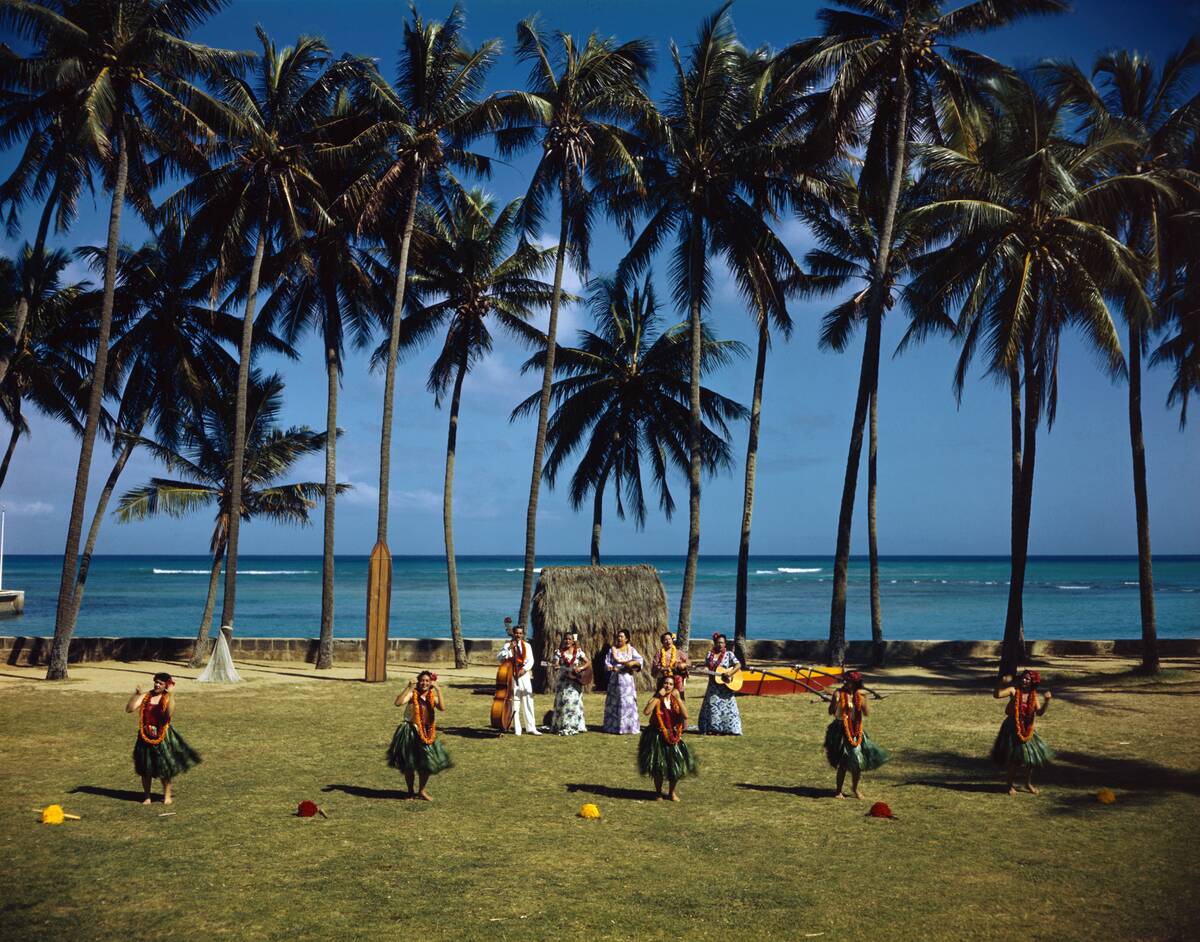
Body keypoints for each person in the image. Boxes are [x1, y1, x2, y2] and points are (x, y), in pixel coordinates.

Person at [124, 672, 200, 805]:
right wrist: (136, 694)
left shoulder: (167, 698)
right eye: (156, 682)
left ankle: (167, 796)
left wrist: (171, 694)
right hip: (145, 735)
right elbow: (129, 709)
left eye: (160, 683)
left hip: (163, 736)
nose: (157, 685)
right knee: (145, 767)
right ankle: (147, 796)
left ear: (166, 685)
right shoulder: (146, 696)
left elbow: (169, 713)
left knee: (164, 767)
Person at [388, 671, 452, 800]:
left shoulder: (431, 697)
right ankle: (410, 791)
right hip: (409, 732)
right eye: (422, 680)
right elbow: (398, 703)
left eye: (427, 681)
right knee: (409, 764)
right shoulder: (412, 695)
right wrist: (408, 687)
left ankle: (421, 791)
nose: (424, 683)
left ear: (431, 683)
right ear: (418, 681)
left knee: (426, 763)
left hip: (427, 732)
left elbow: (442, 708)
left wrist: (439, 691)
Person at [825, 671, 888, 798]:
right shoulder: (838, 693)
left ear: (855, 683)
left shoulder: (860, 695)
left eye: (849, 681)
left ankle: (855, 788)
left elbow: (866, 713)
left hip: (855, 729)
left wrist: (865, 699)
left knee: (857, 762)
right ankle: (838, 791)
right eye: (845, 681)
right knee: (843, 762)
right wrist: (835, 702)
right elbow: (830, 711)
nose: (846, 683)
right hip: (840, 729)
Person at [992, 670, 1054, 795]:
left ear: (1033, 682)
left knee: (1031, 760)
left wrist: (1047, 701)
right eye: (1023, 678)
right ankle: (1009, 785)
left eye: (1027, 679)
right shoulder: (1013, 690)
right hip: (1012, 727)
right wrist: (1000, 682)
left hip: (1027, 728)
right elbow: (997, 695)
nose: (1024, 680)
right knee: (1015, 759)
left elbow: (1039, 713)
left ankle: (1027, 783)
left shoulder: (1033, 695)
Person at [638, 674, 697, 801]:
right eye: (666, 683)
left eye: (671, 684)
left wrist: (679, 699)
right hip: (657, 736)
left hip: (673, 735)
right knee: (658, 766)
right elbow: (647, 712)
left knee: (675, 765)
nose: (668, 686)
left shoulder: (675, 700)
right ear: (661, 684)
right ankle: (658, 792)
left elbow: (685, 715)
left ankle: (671, 792)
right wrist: (658, 695)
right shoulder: (656, 698)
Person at [497, 625, 541, 735]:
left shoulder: (527, 645)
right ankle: (517, 729)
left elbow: (531, 661)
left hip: (524, 675)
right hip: (512, 676)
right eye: (516, 633)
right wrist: (508, 648)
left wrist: (524, 670)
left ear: (523, 634)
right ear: (513, 633)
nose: (518, 635)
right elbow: (500, 658)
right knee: (515, 702)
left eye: (520, 633)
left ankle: (531, 727)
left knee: (528, 700)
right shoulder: (508, 645)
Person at [698, 632, 742, 735]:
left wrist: (729, 673)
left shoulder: (729, 654)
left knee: (727, 708)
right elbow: (707, 667)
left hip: (725, 687)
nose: (720, 645)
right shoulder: (710, 654)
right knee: (713, 707)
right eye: (718, 643)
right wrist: (704, 670)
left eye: (722, 643)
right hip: (713, 686)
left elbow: (738, 665)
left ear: (725, 644)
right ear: (715, 643)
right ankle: (713, 728)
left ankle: (729, 729)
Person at [602, 629, 643, 734]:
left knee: (628, 703)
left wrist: (633, 664)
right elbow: (607, 663)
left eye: (621, 636)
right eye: (618, 636)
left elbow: (640, 661)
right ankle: (614, 727)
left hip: (627, 681)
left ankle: (629, 727)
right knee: (615, 703)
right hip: (615, 680)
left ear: (627, 639)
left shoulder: (631, 650)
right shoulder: (612, 650)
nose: (619, 638)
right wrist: (611, 667)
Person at [550, 633, 590, 735]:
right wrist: (556, 666)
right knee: (563, 702)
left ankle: (575, 725)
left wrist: (580, 668)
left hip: (576, 681)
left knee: (573, 703)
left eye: (569, 639)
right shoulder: (559, 652)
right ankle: (562, 725)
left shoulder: (578, 651)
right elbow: (556, 664)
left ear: (573, 641)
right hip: (563, 682)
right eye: (566, 639)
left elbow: (588, 662)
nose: (567, 641)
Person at [651, 630, 689, 697]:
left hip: (677, 681)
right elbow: (655, 666)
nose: (668, 641)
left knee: (678, 700)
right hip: (663, 680)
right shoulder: (659, 653)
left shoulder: (678, 652)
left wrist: (683, 665)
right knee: (660, 700)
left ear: (672, 640)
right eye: (665, 640)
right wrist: (663, 669)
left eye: (669, 639)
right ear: (662, 642)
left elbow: (688, 661)